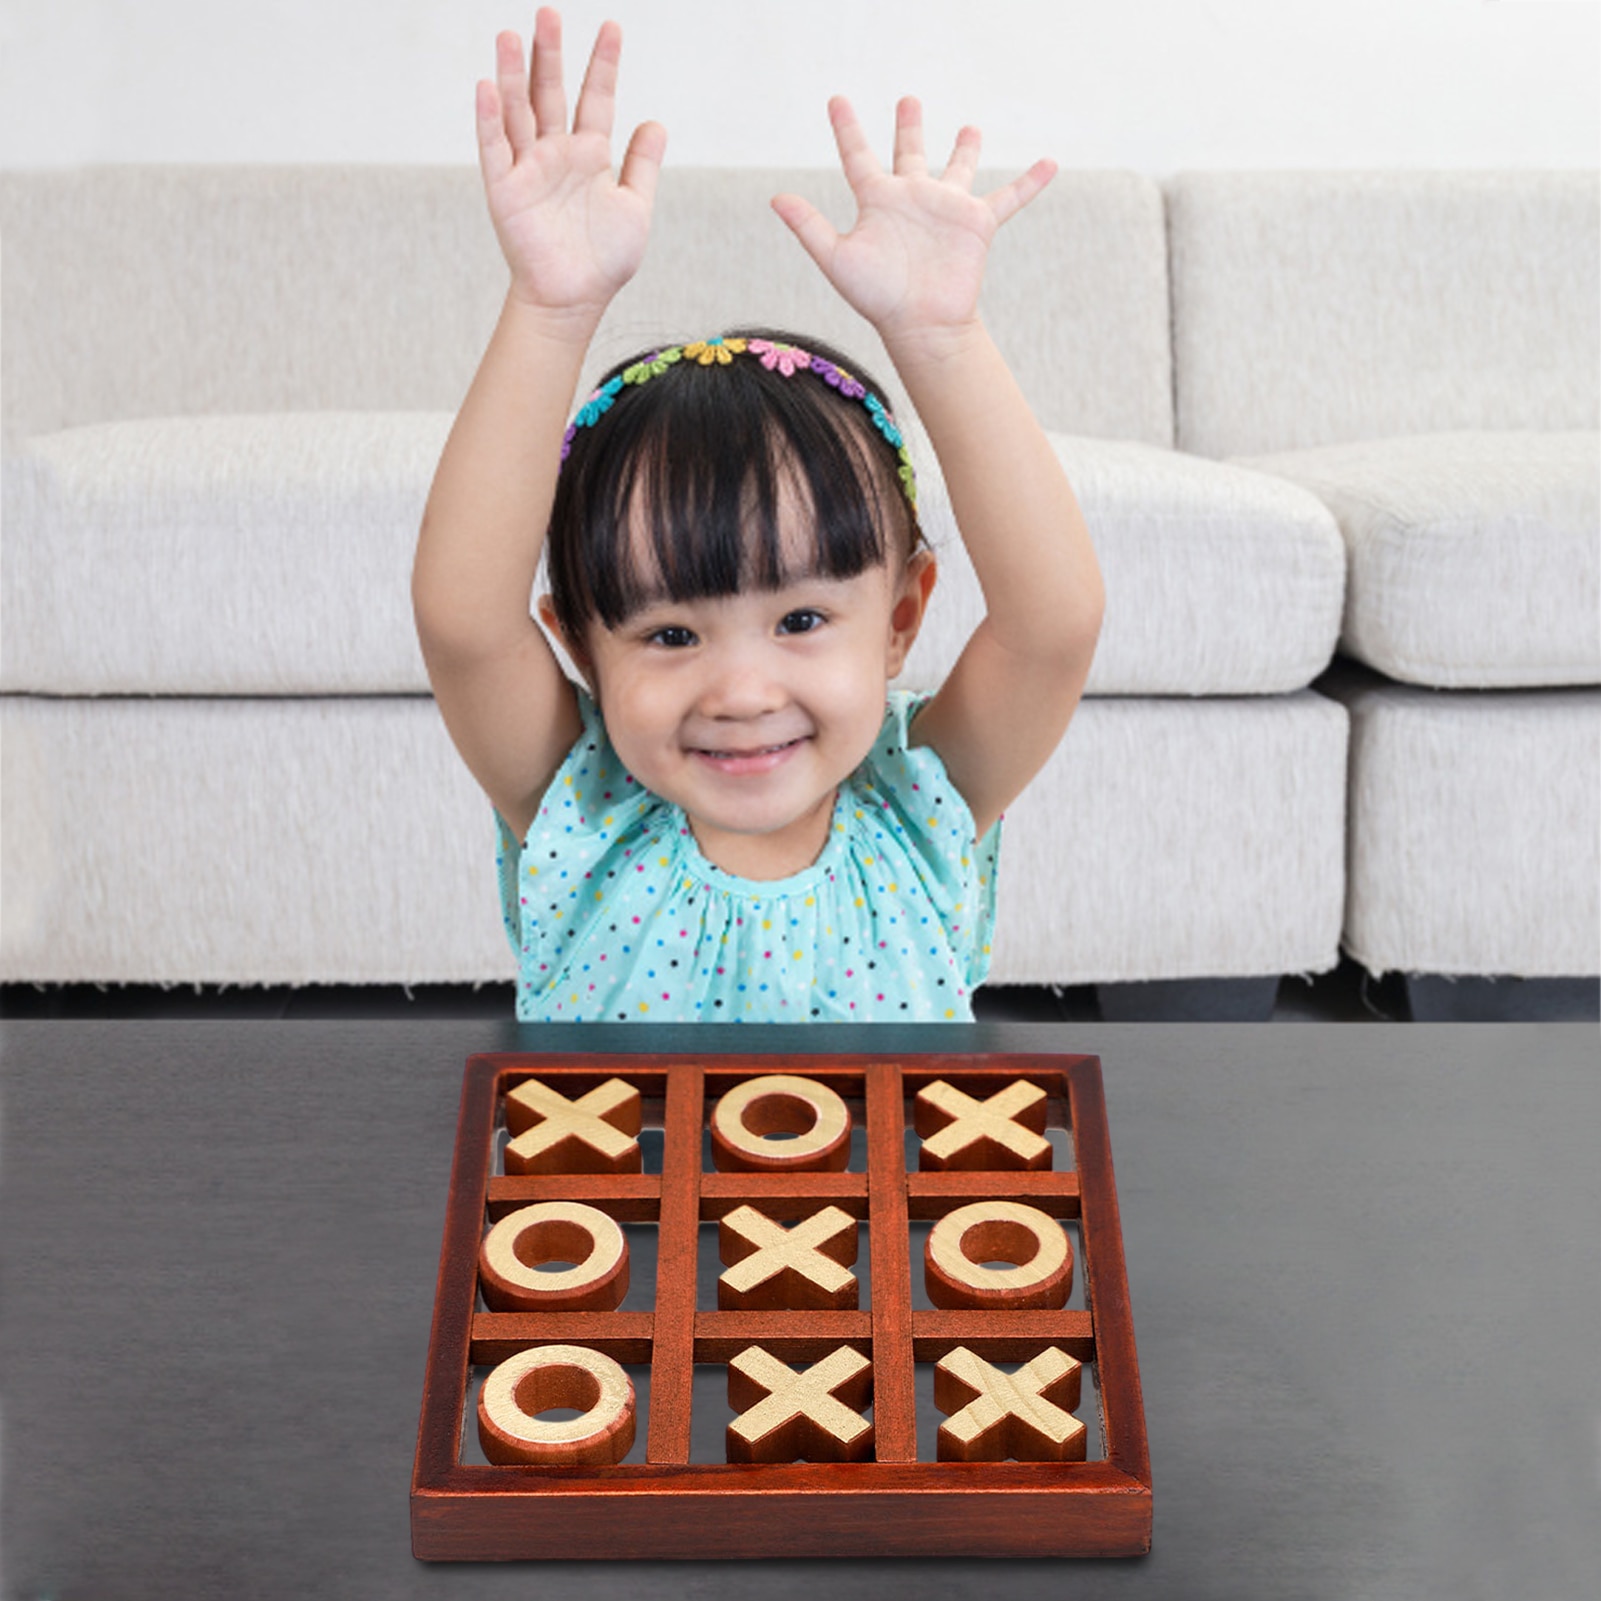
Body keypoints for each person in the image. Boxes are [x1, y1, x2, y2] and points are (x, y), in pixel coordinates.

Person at [413, 9, 1104, 1021]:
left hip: (880, 1188)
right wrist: (548, 309)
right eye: (669, 633)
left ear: (901, 618)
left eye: (800, 620)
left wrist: (940, 337)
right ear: (577, 643)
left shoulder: (918, 805)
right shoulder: (580, 808)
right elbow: (464, 623)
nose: (740, 690)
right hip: (608, 1189)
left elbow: (1052, 625)